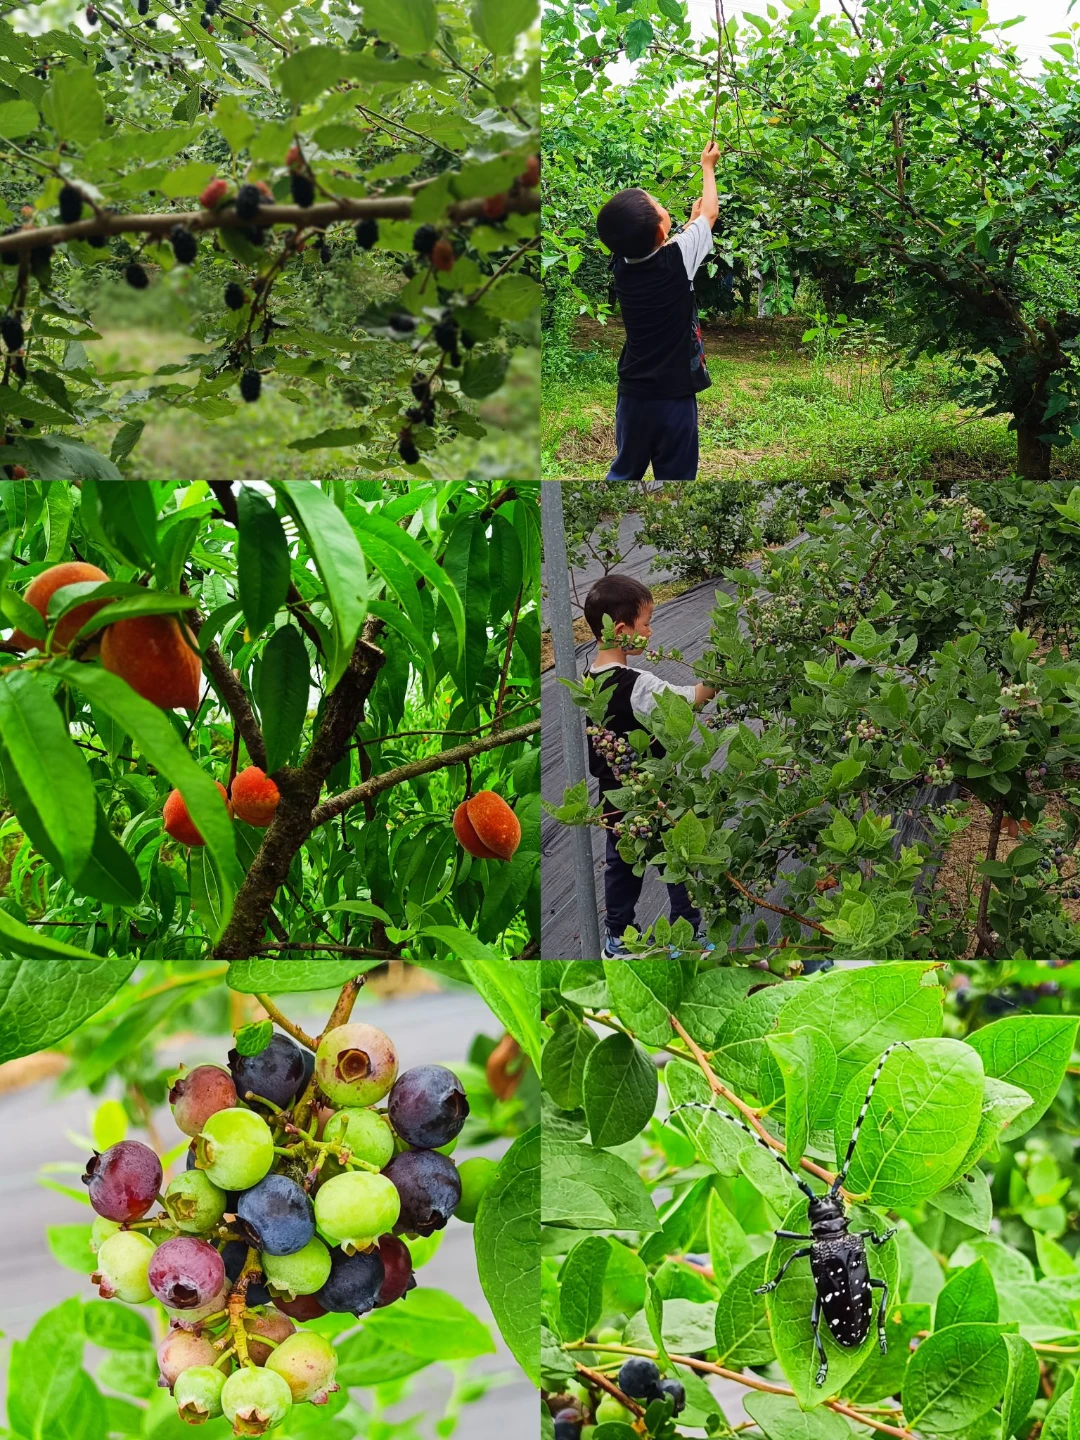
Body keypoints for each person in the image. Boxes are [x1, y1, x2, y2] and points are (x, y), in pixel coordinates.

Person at [582, 573, 717, 958]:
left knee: (622, 864)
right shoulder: (637, 684)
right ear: (621, 629)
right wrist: (723, 675)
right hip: (654, 789)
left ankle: (618, 939)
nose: (651, 630)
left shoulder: (588, 680)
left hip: (615, 793)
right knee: (677, 856)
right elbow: (690, 700)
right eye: (646, 623)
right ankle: (686, 934)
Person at [595, 140, 720, 484]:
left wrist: (688, 228)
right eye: (659, 205)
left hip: (633, 393)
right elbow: (710, 212)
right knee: (677, 479)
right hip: (675, 396)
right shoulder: (677, 258)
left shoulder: (621, 264)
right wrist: (707, 166)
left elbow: (662, 247)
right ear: (661, 231)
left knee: (624, 472)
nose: (661, 204)